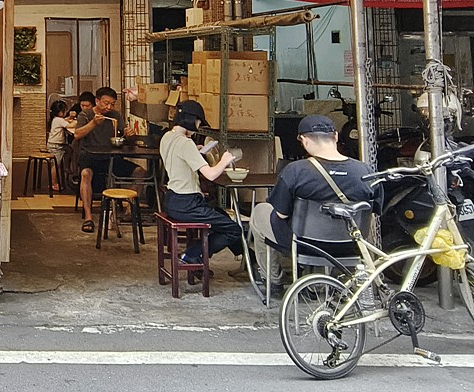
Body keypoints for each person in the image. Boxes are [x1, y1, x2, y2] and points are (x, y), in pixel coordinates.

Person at [249, 114, 381, 289]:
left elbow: (281, 214)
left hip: (303, 244)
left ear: (304, 140)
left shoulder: (296, 171)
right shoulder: (365, 171)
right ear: (335, 136)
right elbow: (375, 210)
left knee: (261, 211)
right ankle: (328, 279)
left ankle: (273, 279)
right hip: (350, 245)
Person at [161, 100, 241, 270]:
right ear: (191, 120)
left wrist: (195, 153)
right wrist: (225, 160)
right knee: (233, 230)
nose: (198, 126)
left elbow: (179, 158)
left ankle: (248, 258)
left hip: (172, 199)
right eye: (198, 122)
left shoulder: (167, 137)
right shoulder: (186, 143)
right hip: (188, 203)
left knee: (222, 215)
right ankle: (192, 254)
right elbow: (211, 175)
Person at [73, 87, 136, 233]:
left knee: (140, 172)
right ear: (97, 101)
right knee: (85, 174)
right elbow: (77, 134)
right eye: (106, 103)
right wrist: (94, 123)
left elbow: (122, 134)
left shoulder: (115, 116)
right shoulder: (86, 115)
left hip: (111, 157)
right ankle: (88, 217)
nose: (109, 107)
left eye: (112, 104)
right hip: (89, 156)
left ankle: (126, 213)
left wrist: (129, 133)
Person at [45, 100, 69, 192]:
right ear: (60, 112)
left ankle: (66, 166)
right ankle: (53, 184)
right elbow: (69, 125)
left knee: (69, 150)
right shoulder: (59, 120)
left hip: (53, 144)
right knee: (55, 165)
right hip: (56, 146)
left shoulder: (55, 119)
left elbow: (65, 121)